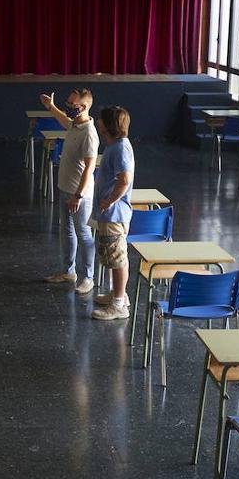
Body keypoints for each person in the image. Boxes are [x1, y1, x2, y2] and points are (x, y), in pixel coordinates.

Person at [38, 88, 98, 295]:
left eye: (73, 105)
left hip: (79, 194)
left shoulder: (89, 134)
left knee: (83, 233)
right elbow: (64, 120)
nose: (69, 108)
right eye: (69, 104)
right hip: (66, 190)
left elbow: (90, 168)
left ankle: (88, 277)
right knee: (67, 231)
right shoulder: (75, 125)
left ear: (84, 107)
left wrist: (78, 195)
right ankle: (68, 271)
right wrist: (50, 107)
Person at [90, 106, 135, 321]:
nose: (98, 122)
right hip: (112, 214)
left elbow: (124, 180)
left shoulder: (119, 148)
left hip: (114, 215)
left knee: (117, 259)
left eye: (101, 121)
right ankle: (117, 294)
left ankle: (118, 304)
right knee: (113, 256)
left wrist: (108, 201)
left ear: (109, 126)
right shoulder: (116, 145)